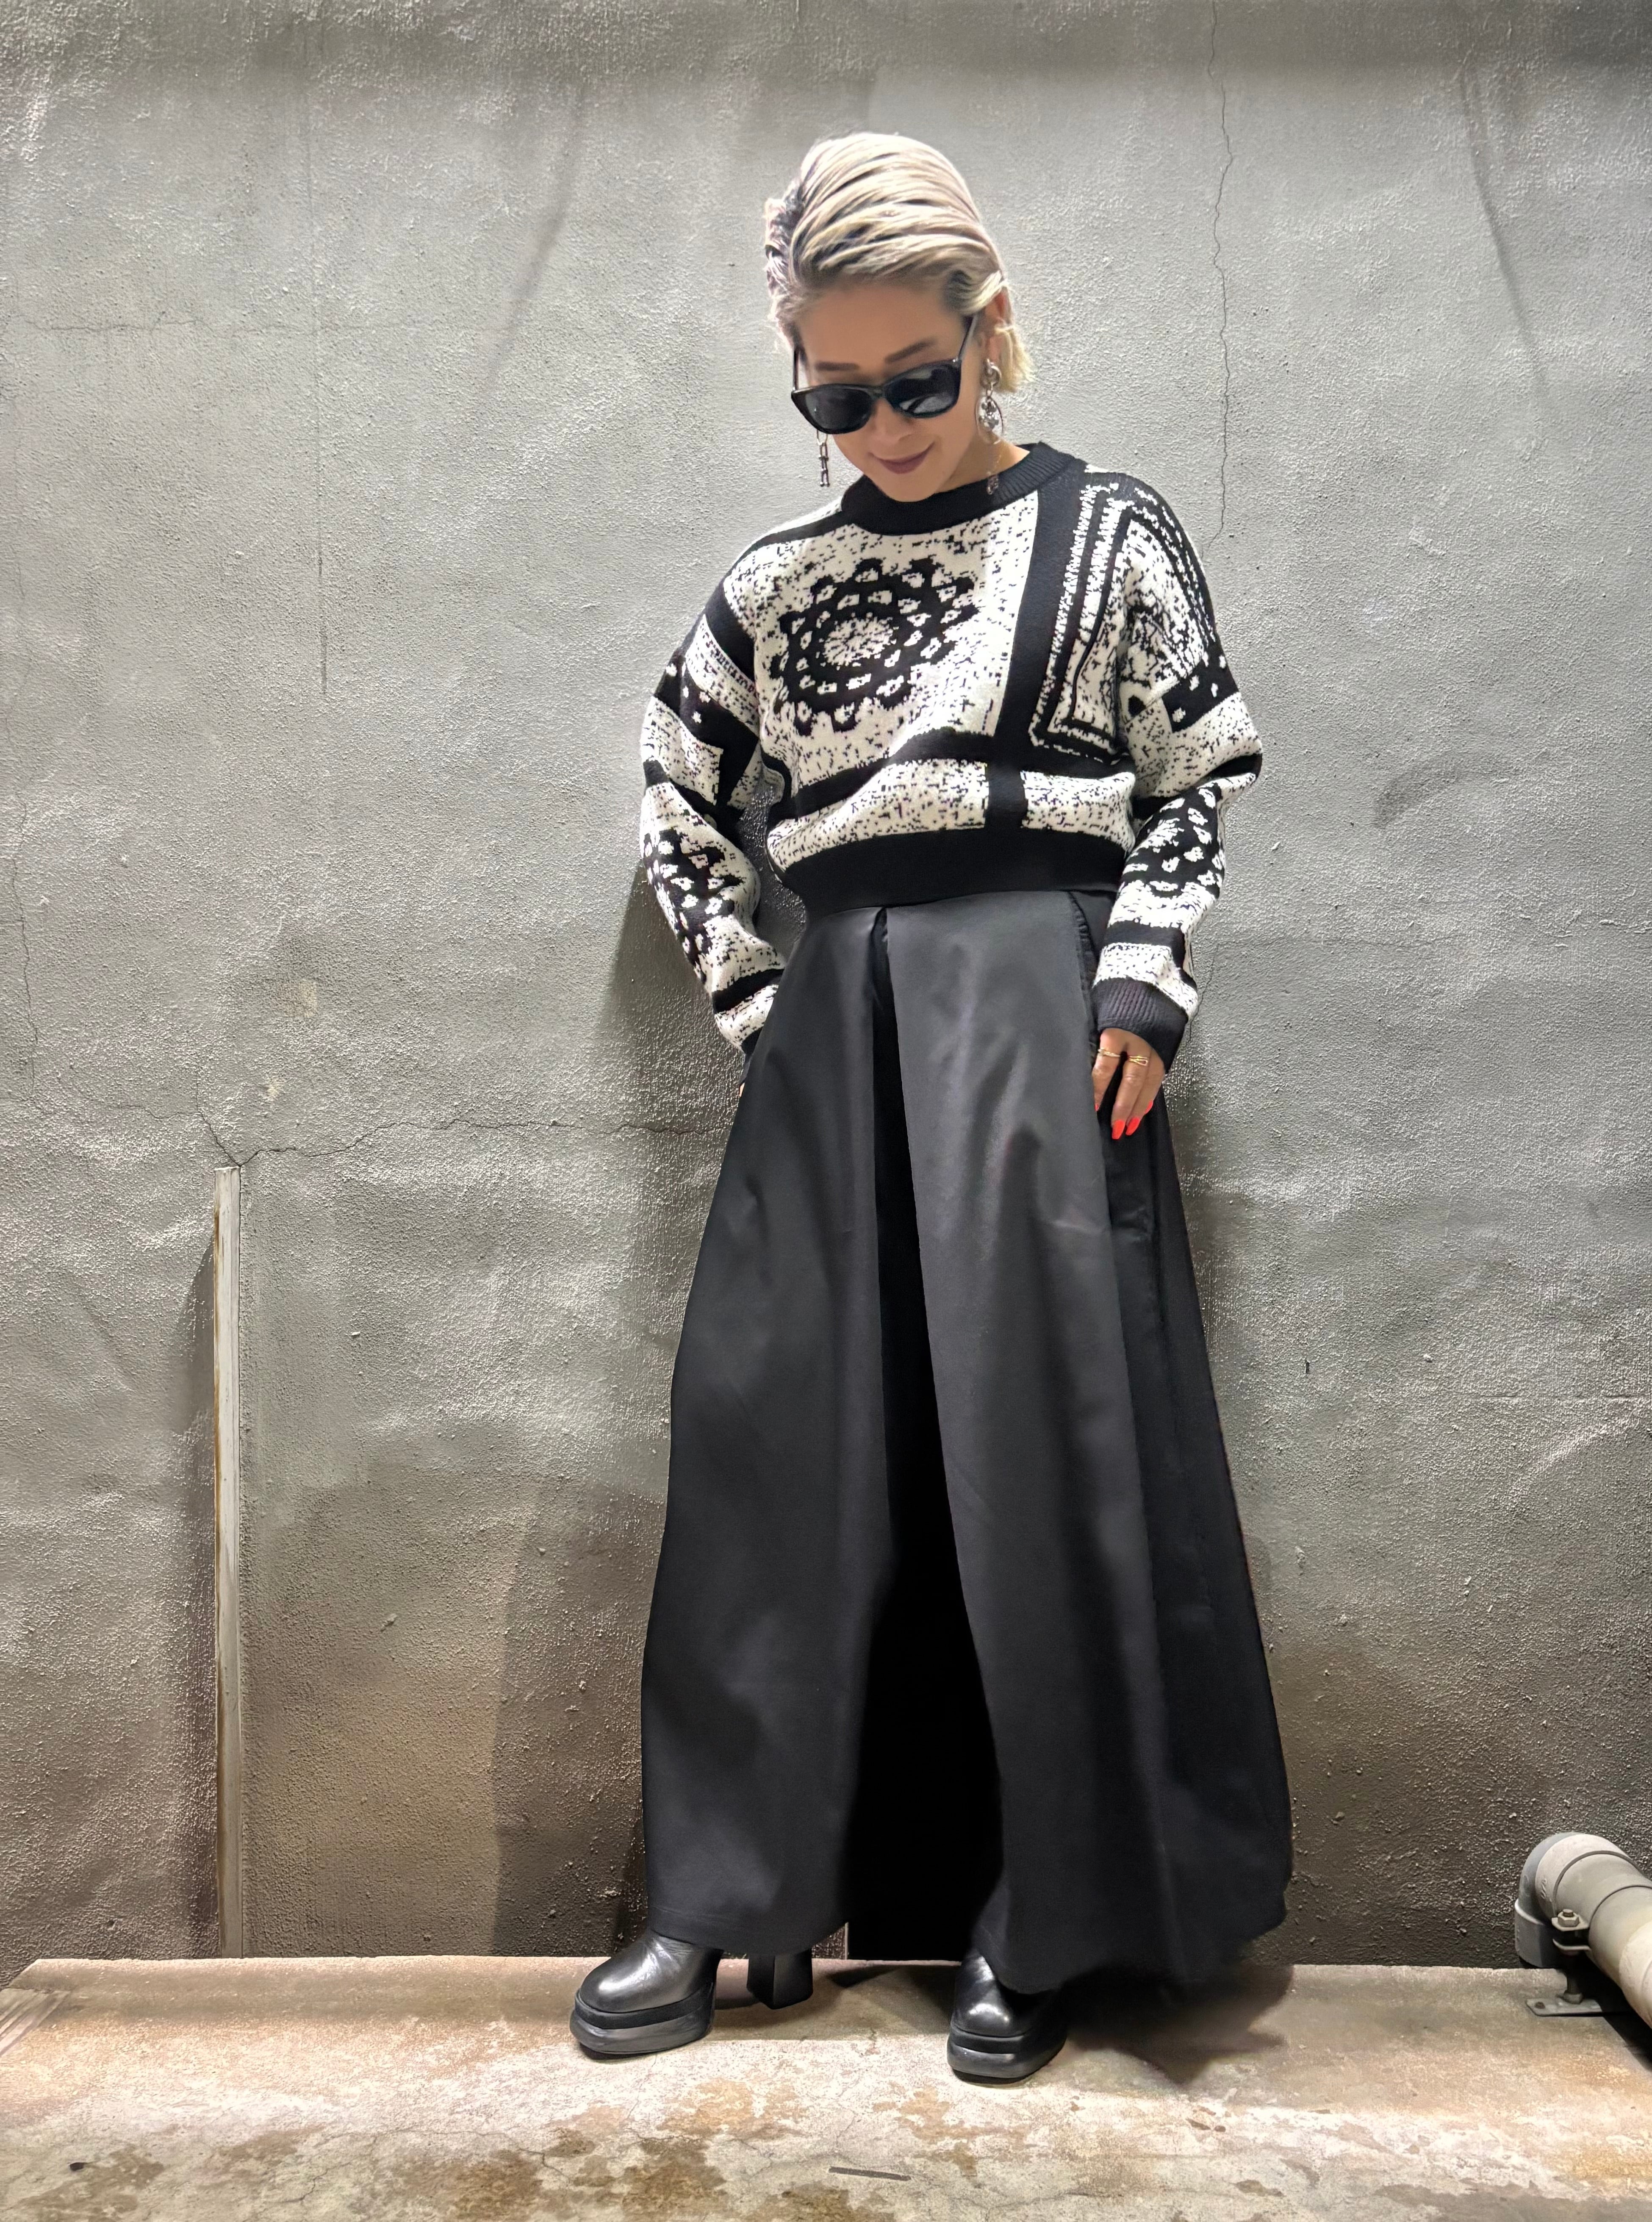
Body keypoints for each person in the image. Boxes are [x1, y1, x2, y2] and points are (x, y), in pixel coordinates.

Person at [571, 128, 1293, 2084]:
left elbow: (1201, 774)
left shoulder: (1111, 534)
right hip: (840, 1017)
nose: (881, 427)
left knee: (1040, 1465)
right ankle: (729, 1895)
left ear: (992, 333)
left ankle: (1044, 1918)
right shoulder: (774, 583)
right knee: (771, 1451)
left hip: (1043, 1013)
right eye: (835, 396)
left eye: (918, 380)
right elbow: (676, 791)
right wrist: (759, 998)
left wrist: (1141, 973)